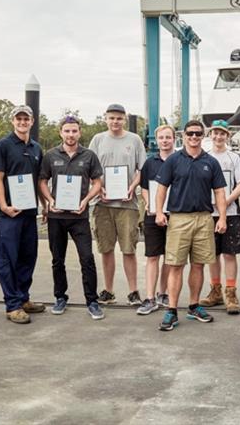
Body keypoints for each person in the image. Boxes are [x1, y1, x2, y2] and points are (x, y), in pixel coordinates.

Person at [154, 119, 227, 331]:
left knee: (198, 264)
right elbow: (161, 188)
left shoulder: (211, 162)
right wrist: (159, 212)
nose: (194, 137)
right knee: (176, 265)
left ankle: (194, 306)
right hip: (179, 219)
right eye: (190, 134)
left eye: (197, 134)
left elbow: (220, 191)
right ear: (184, 136)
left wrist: (221, 217)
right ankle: (172, 310)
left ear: (202, 136)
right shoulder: (174, 160)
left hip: (204, 218)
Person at [38, 115, 105, 321]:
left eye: (74, 131)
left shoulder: (89, 155)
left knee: (87, 258)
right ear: (61, 132)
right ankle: (60, 297)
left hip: (79, 215)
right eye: (67, 131)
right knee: (58, 260)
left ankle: (92, 301)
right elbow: (42, 180)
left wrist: (86, 200)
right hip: (57, 216)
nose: (70, 134)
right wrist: (49, 201)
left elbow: (97, 182)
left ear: (79, 132)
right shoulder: (50, 155)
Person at [0, 105, 45, 324]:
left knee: (27, 256)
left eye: (26, 118)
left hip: (29, 212)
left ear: (32, 121)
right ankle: (12, 304)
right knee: (8, 258)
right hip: (10, 213)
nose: (22, 122)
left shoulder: (36, 148)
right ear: (13, 121)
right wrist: (3, 205)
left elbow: (38, 180)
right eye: (18, 118)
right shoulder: (2, 146)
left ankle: (23, 298)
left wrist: (44, 205)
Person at [89, 104, 147, 306]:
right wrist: (99, 189)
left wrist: (132, 187)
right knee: (106, 249)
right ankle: (108, 290)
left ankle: (133, 291)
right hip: (102, 204)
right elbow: (91, 170)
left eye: (119, 118)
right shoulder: (98, 140)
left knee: (128, 249)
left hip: (127, 204)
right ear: (105, 119)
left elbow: (142, 169)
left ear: (125, 119)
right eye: (111, 118)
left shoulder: (135, 140)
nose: (115, 122)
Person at [200, 120, 240, 315]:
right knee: (212, 254)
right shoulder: (204, 157)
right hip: (208, 213)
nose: (218, 137)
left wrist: (226, 201)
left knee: (230, 253)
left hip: (230, 213)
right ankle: (215, 290)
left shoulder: (234, 157)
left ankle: (231, 292)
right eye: (215, 133)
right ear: (210, 135)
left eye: (222, 134)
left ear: (227, 136)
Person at [136, 124, 175, 315]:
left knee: (170, 256)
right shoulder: (150, 163)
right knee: (152, 256)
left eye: (168, 137)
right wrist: (149, 204)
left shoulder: (180, 161)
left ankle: (163, 293)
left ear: (174, 139)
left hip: (174, 215)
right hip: (152, 215)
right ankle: (150, 298)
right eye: (161, 138)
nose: (165, 141)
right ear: (156, 140)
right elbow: (144, 187)